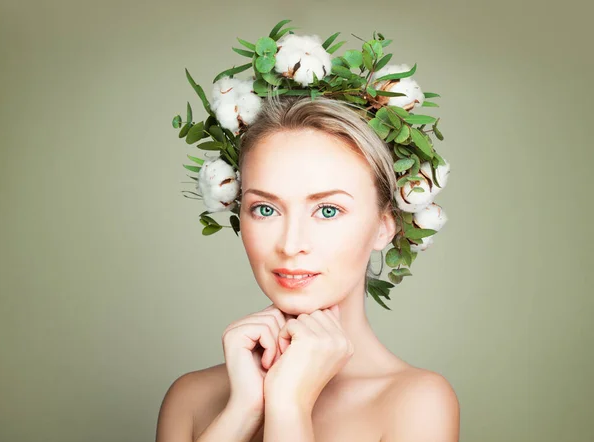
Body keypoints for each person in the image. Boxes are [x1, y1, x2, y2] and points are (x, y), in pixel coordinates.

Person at [155, 95, 460, 441]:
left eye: (328, 210)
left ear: (384, 226)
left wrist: (289, 407)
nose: (290, 244)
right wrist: (244, 411)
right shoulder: (191, 399)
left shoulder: (417, 404)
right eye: (266, 209)